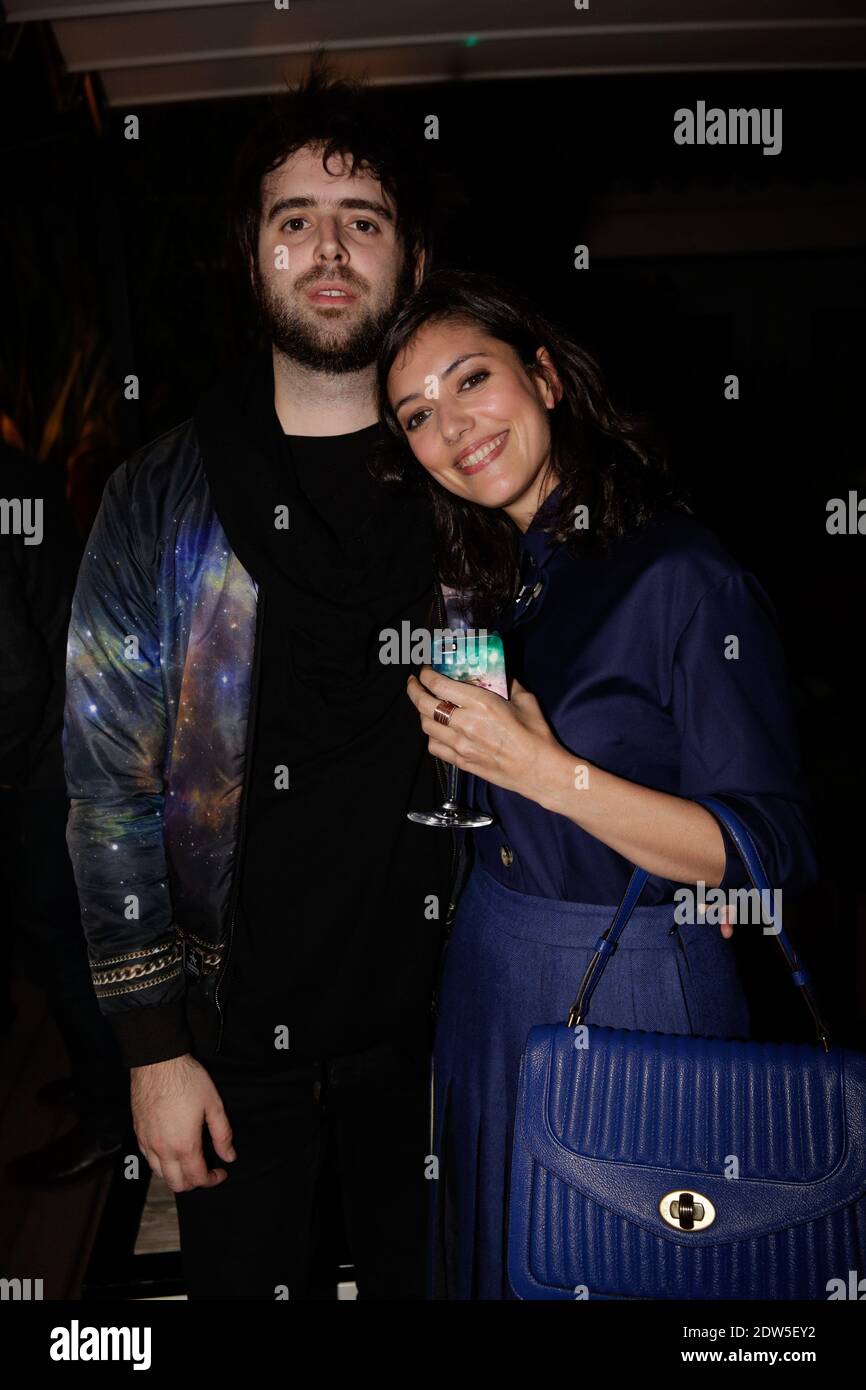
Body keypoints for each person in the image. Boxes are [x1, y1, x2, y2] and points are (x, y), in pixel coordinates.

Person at [62, 65, 457, 1299]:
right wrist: (151, 1046)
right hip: (235, 1035)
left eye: (363, 220)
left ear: (409, 260)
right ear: (253, 261)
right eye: (293, 220)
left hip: (448, 1018)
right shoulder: (157, 496)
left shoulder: (470, 479)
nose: (328, 248)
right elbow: (107, 787)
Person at [376, 269, 819, 1300]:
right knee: (504, 1252)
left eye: (469, 379)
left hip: (626, 983)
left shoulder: (681, 571)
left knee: (625, 1270)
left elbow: (765, 852)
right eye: (417, 416)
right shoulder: (508, 571)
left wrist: (544, 770)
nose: (450, 426)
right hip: (492, 959)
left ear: (543, 375)